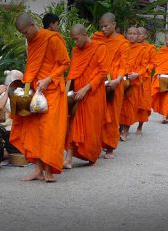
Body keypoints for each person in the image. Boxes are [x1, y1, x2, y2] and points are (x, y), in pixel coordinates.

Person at [10, 13, 70, 182]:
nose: (24, 36)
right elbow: (32, 64)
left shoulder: (52, 39)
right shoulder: (31, 41)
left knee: (50, 132)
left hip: (52, 90)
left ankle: (49, 170)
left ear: (32, 25)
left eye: (25, 32)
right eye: (22, 34)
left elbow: (65, 63)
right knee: (33, 130)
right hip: (35, 90)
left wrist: (49, 79)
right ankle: (38, 169)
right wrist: (27, 87)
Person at [64, 24, 109, 168]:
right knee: (73, 124)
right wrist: (66, 91)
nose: (75, 42)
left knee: (92, 126)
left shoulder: (100, 48)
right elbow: (73, 72)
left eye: (76, 39)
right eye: (73, 40)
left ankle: (91, 154)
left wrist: (86, 88)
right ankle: (68, 159)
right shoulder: (76, 50)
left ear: (84, 34)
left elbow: (102, 73)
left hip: (93, 93)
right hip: (78, 94)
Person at [91, 12, 130, 159]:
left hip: (114, 83)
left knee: (112, 116)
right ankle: (96, 143)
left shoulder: (122, 43)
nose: (103, 29)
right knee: (97, 113)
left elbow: (124, 64)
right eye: (101, 26)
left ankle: (109, 147)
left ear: (114, 25)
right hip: (99, 80)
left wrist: (118, 79)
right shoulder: (97, 39)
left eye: (106, 26)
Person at [119, 27, 148, 141]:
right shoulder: (122, 46)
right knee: (120, 107)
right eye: (129, 33)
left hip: (134, 82)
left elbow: (144, 66)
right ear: (126, 34)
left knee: (129, 108)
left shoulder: (142, 50)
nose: (132, 36)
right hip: (121, 79)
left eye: (134, 34)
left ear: (138, 36)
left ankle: (125, 131)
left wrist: (137, 74)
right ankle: (119, 129)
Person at [136, 27, 156, 134]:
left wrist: (146, 68)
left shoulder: (150, 48)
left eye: (140, 34)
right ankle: (124, 127)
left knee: (143, 103)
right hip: (133, 77)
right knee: (129, 103)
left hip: (144, 78)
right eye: (136, 33)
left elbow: (153, 63)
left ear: (145, 36)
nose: (138, 35)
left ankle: (140, 126)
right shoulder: (129, 46)